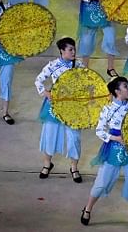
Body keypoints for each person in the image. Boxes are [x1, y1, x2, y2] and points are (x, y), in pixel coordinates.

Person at [81, 76, 128, 228]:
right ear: (117, 91)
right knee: (102, 182)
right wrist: (116, 138)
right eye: (125, 86)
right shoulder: (107, 109)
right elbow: (99, 131)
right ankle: (87, 209)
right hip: (113, 149)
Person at [35, 37, 84, 182]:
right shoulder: (53, 65)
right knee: (50, 135)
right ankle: (47, 164)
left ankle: (74, 167)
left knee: (74, 138)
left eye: (74, 49)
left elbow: (87, 83)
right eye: (70, 49)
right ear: (62, 51)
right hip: (55, 105)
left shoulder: (79, 65)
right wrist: (45, 92)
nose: (73, 52)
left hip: (73, 106)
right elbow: (38, 80)